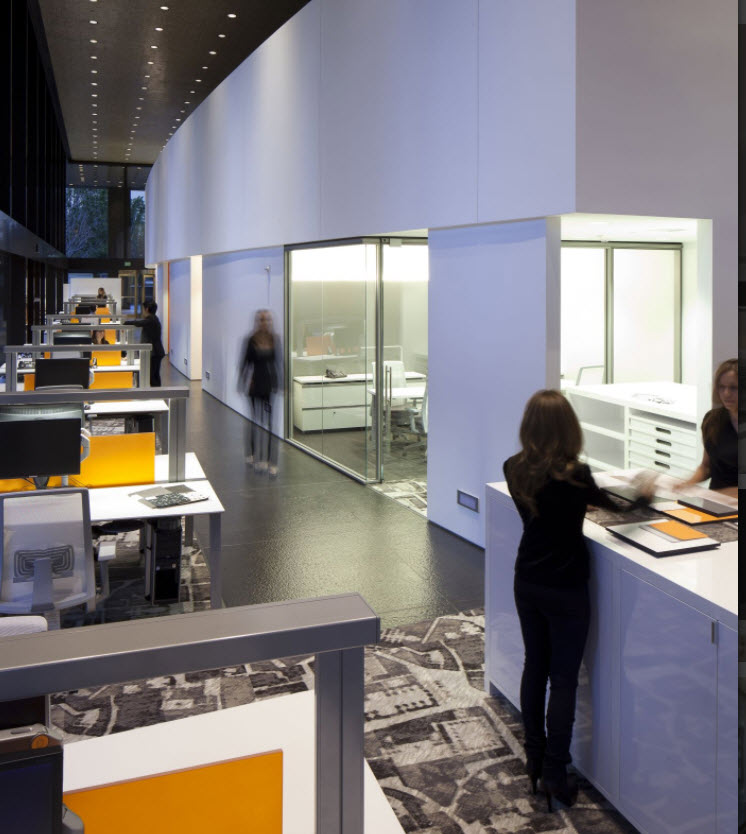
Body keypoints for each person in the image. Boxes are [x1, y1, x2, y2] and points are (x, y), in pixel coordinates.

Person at [503, 390, 649, 811]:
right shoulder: (576, 474)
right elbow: (620, 509)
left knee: (535, 666)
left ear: (529, 425)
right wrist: (645, 492)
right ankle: (554, 771)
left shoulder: (513, 467)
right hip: (566, 585)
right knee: (563, 679)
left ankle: (534, 758)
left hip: (527, 579)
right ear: (569, 428)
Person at [677, 358, 738, 498]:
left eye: (733, 388)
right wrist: (687, 484)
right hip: (715, 501)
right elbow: (707, 467)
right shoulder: (713, 420)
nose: (726, 393)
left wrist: (725, 495)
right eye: (721, 387)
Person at [240, 309, 281, 475]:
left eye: (267, 319)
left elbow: (277, 362)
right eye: (262, 319)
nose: (265, 322)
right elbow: (245, 362)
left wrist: (278, 383)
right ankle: (254, 455)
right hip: (255, 384)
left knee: (269, 423)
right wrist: (242, 381)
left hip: (268, 385)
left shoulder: (274, 339)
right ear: (258, 321)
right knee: (255, 421)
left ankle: (270, 460)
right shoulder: (251, 340)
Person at [125, 301, 165, 386]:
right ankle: (157, 392)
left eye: (143, 309)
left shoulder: (151, 320)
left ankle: (156, 392)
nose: (143, 311)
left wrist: (127, 323)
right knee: (154, 376)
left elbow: (139, 323)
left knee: (152, 377)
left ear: (147, 309)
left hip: (154, 353)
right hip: (156, 352)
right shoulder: (154, 319)